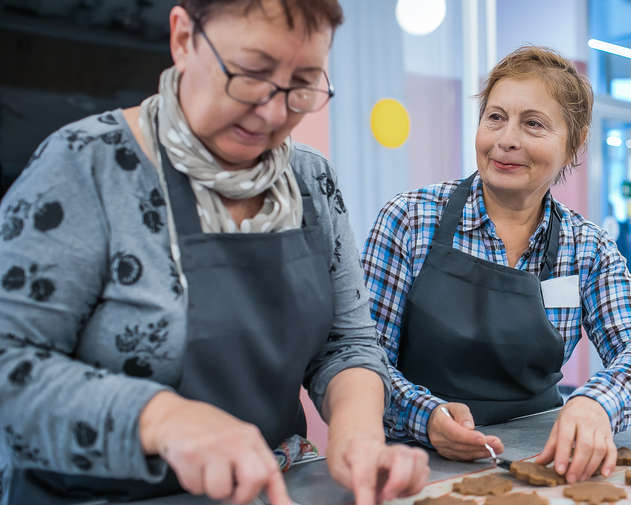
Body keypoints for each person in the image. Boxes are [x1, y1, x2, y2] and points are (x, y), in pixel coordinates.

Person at [0, 1, 429, 504]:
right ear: (183, 38)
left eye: (303, 84)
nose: (273, 111)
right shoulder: (85, 166)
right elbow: (11, 363)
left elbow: (347, 343)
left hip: (270, 490)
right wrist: (163, 419)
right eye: (250, 74)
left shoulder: (311, 181)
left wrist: (358, 435)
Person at [362, 46, 631, 484]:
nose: (506, 139)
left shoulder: (588, 249)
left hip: (541, 462)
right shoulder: (409, 220)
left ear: (573, 145)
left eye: (534, 124)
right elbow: (364, 358)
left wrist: (596, 402)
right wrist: (424, 416)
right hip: (415, 463)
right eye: (495, 117)